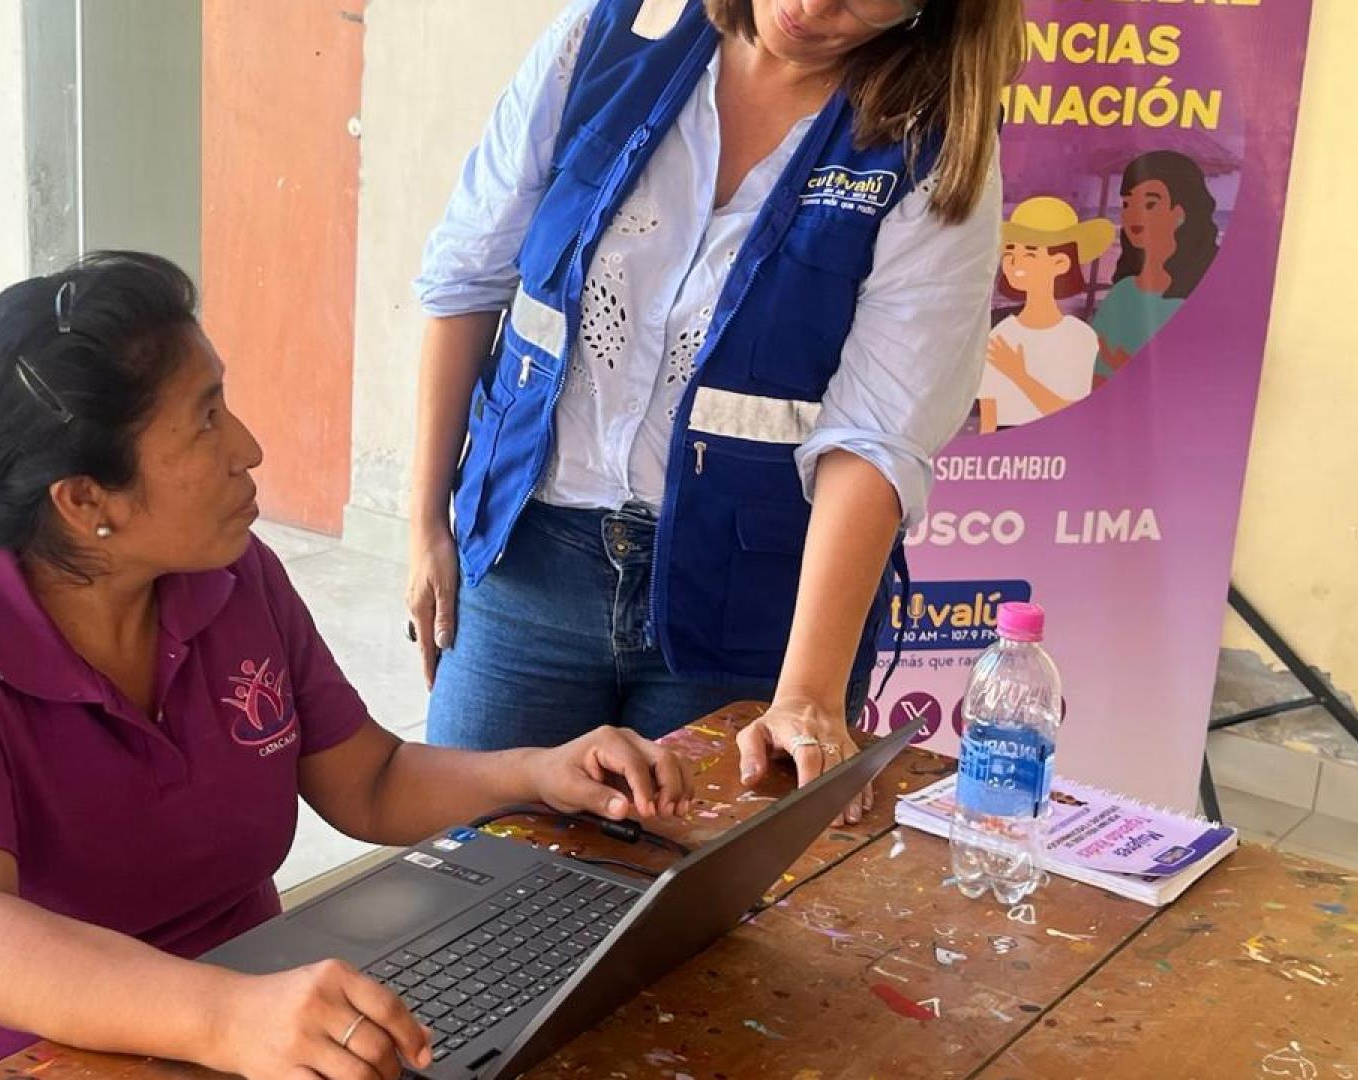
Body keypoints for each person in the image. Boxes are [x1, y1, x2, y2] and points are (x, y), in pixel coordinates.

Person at [0, 252, 695, 1079]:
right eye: (205, 421)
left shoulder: (231, 579)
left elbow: (371, 781)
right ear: (85, 500)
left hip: (217, 1028)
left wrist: (538, 775)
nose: (248, 447)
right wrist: (230, 1017)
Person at [406, 0, 1024, 820]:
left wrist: (808, 692)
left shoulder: (931, 149)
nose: (815, 5)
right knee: (473, 869)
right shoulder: (605, 41)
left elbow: (877, 435)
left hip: (753, 606)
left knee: (698, 894)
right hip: (530, 567)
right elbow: (467, 280)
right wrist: (426, 523)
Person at [976, 196, 1113, 431]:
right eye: (1010, 252)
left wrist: (1019, 374)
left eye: (1030, 254)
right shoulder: (1000, 336)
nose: (1014, 262)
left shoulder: (1080, 336)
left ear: (1060, 263)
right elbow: (989, 421)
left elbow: (1073, 414)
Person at [1091, 149, 1220, 382]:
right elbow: (1095, 377)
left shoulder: (1204, 298)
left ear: (1179, 212)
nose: (1133, 215)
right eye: (1127, 204)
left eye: (1150, 204)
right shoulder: (1121, 295)